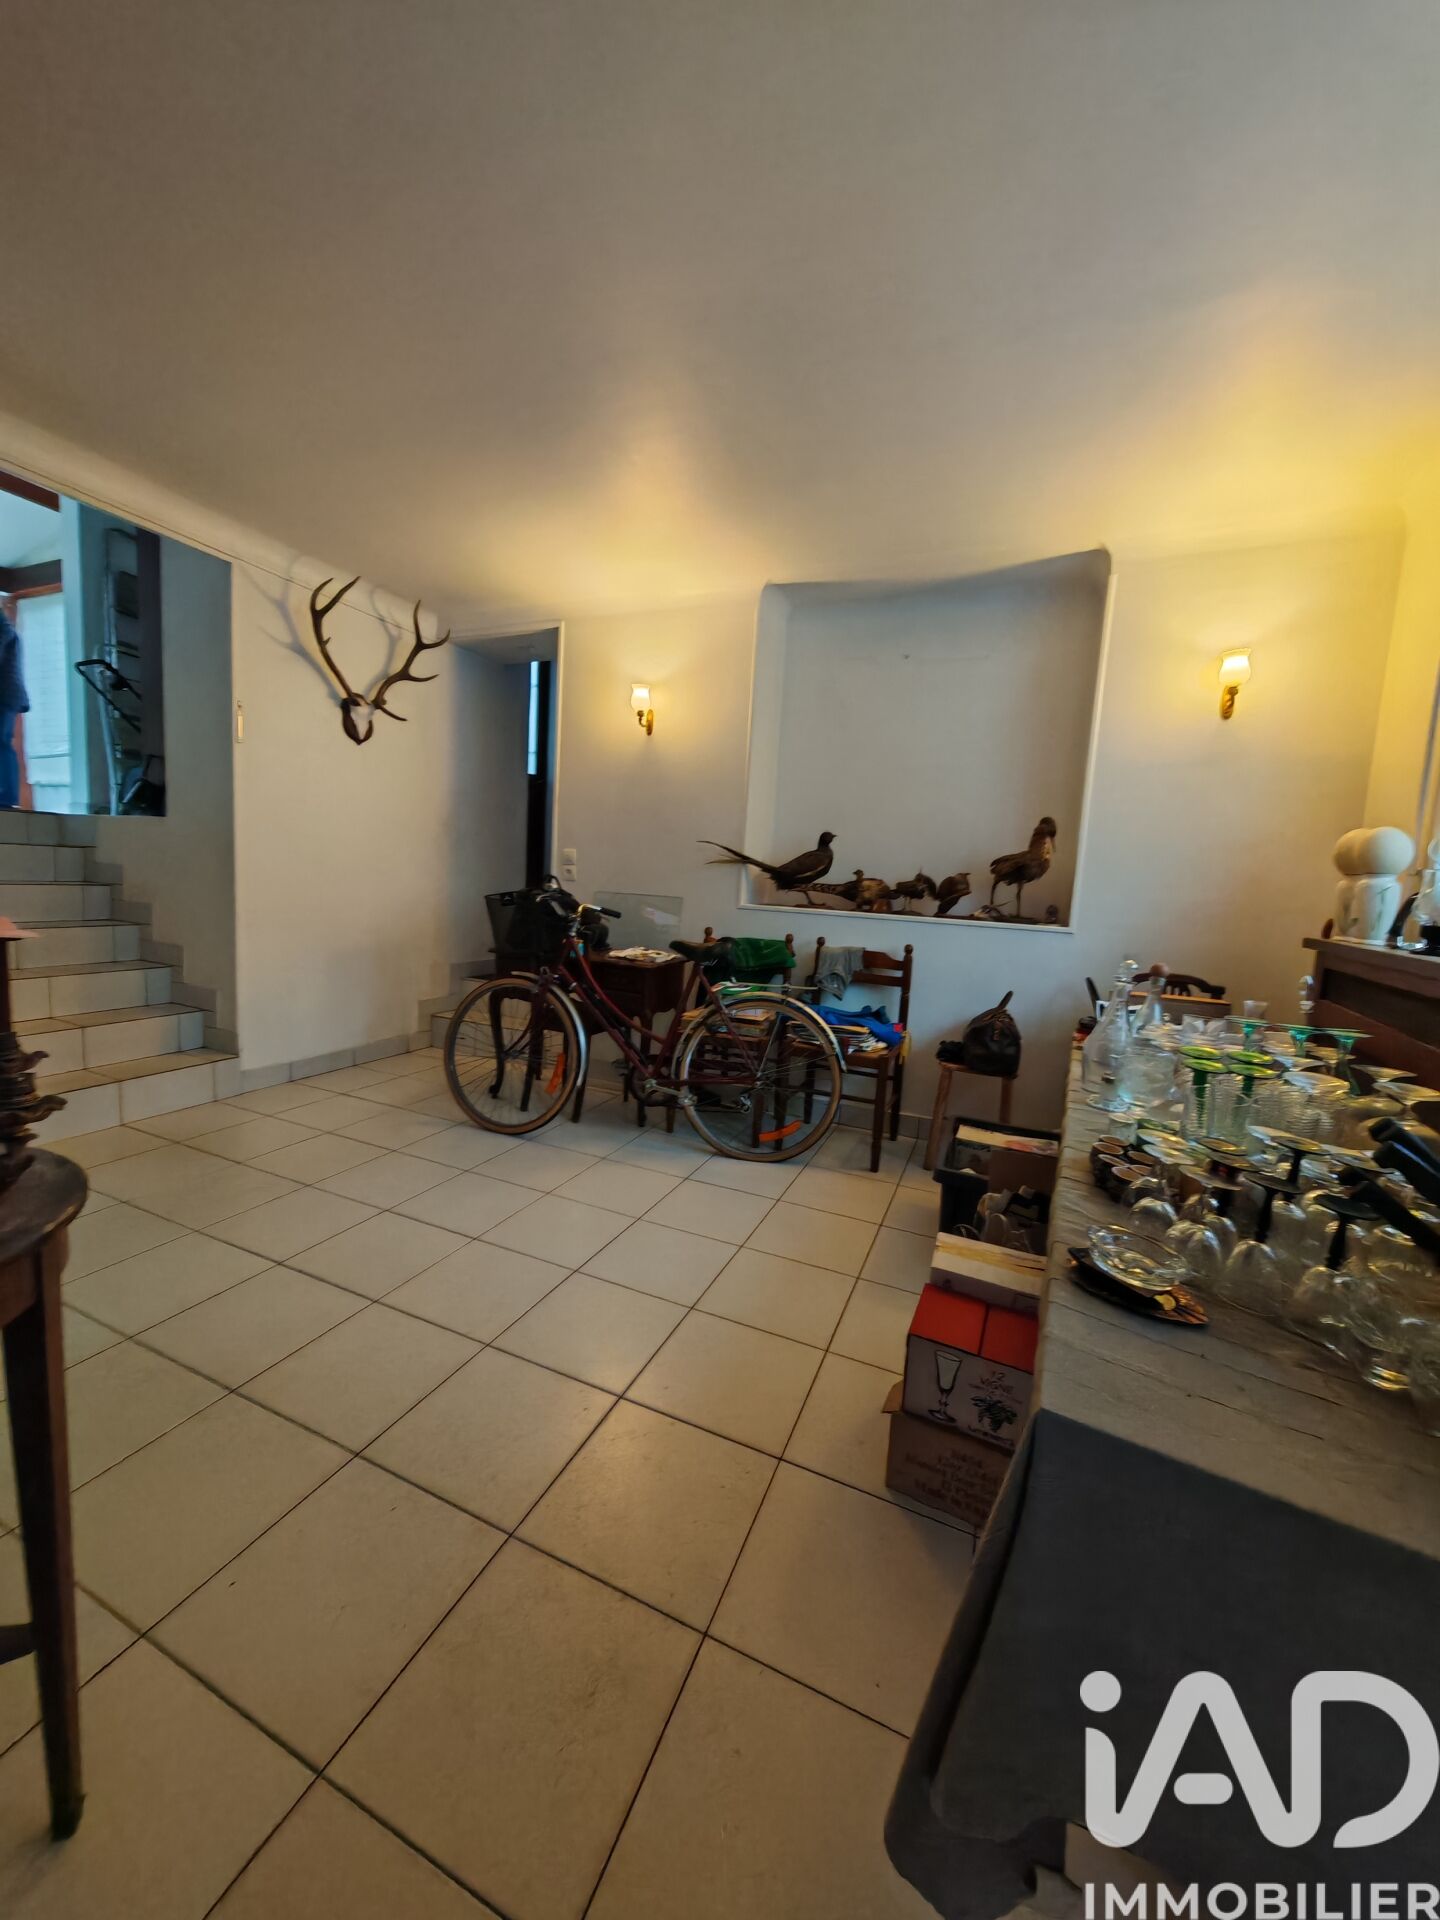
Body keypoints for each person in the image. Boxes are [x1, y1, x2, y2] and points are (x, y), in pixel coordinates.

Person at [0, 602, 31, 810]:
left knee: (1, 743)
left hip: (4, 695)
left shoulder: (2, 628)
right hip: (8, 695)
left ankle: (5, 796)